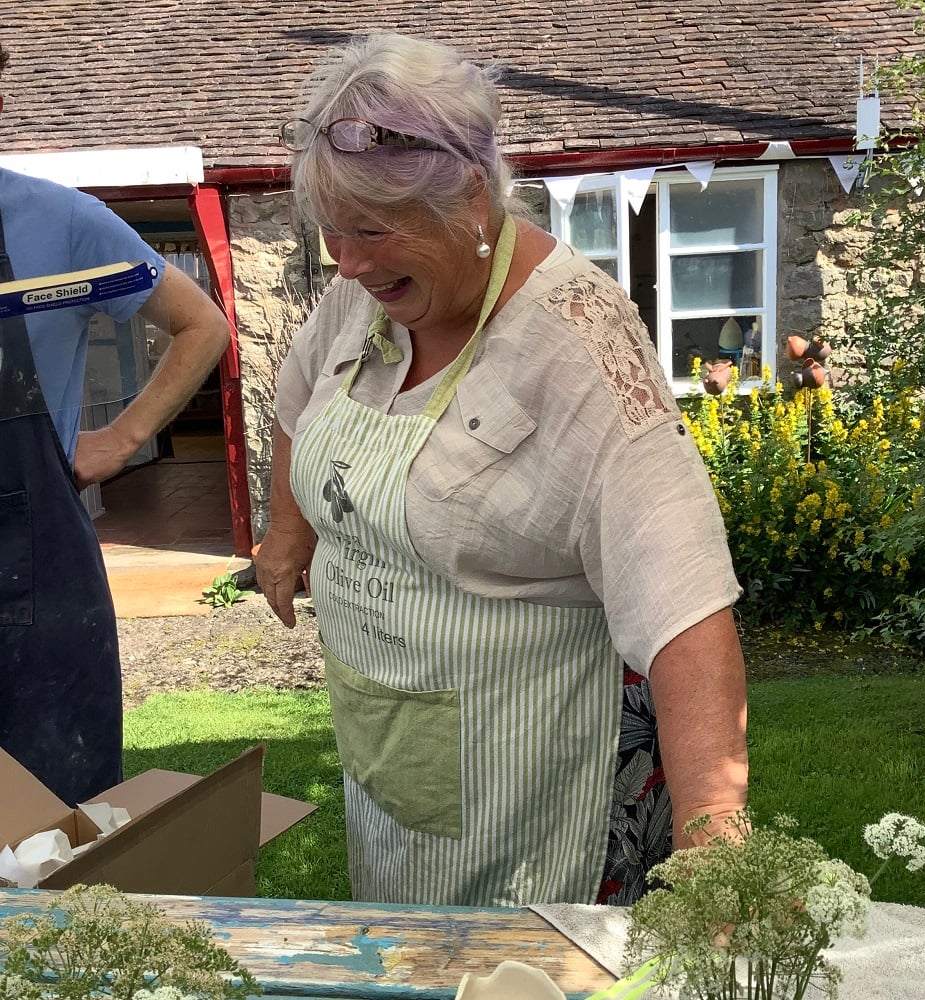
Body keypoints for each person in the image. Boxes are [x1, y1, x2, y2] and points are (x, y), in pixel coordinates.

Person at [255, 32, 749, 907]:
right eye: (332, 234)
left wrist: (715, 828)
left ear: (472, 201)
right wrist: (287, 531)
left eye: (370, 231)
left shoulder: (581, 346)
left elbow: (683, 596)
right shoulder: (366, 293)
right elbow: (299, 400)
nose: (349, 261)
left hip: (539, 777)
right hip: (400, 756)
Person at [0, 40, 231, 806]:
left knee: (51, 835)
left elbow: (202, 325)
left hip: (33, 583)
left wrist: (121, 439)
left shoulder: (62, 221)